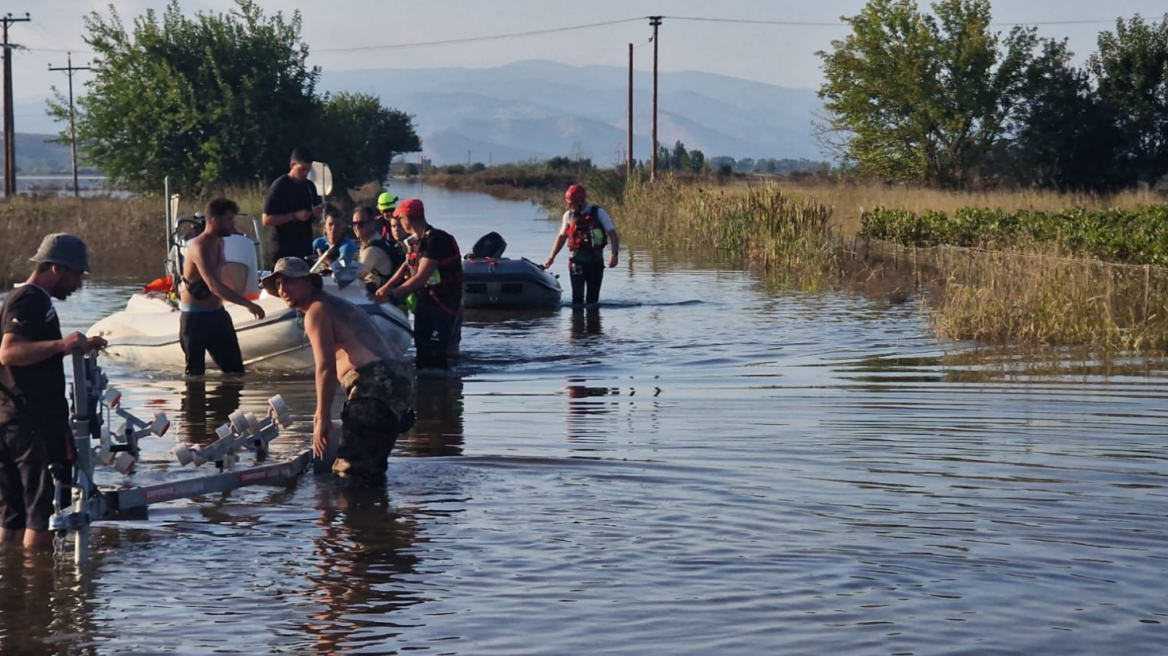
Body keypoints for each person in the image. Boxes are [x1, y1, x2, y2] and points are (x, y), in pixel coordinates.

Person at [262, 257, 415, 478]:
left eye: (290, 281)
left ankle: (353, 510)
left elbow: (325, 367)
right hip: (401, 380)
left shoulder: (317, 311)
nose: (283, 288)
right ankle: (379, 510)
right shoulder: (338, 305)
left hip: (374, 385)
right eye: (278, 284)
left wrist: (321, 416)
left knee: (351, 473)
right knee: (372, 466)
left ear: (309, 282)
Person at [0, 234, 106, 549]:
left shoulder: (15, 297)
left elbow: (25, 353)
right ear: (57, 268)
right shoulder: (31, 299)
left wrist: (77, 347)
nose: (78, 285)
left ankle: (12, 588)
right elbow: (9, 352)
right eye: (76, 276)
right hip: (31, 425)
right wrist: (62, 344)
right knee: (41, 516)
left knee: (11, 518)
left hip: (10, 420)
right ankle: (38, 590)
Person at [180, 198, 266, 377]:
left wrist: (242, 295)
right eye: (229, 220)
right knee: (195, 375)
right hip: (194, 319)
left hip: (217, 315)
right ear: (215, 221)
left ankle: (226, 404)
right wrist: (249, 305)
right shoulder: (199, 247)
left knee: (235, 371)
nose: (233, 225)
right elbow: (214, 286)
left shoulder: (220, 242)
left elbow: (224, 274)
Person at [374, 199, 464, 369]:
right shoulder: (415, 242)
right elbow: (408, 265)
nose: (398, 224)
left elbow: (421, 277)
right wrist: (386, 287)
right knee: (422, 350)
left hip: (444, 304)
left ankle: (444, 390)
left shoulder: (437, 240)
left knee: (436, 353)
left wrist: (393, 295)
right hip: (425, 302)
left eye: (399, 219)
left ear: (406, 219)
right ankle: (425, 391)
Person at [544, 184, 620, 306]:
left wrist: (614, 254)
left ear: (581, 201)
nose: (568, 206)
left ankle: (593, 323)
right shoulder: (568, 215)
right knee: (577, 301)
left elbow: (613, 234)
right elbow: (562, 237)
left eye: (571, 203)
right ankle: (577, 324)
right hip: (576, 263)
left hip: (595, 263)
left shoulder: (598, 213)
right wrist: (551, 258)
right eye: (567, 203)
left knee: (592, 301)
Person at [262, 146, 322, 265]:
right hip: (284, 249)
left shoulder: (310, 187)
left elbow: (314, 220)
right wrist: (294, 216)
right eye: (302, 169)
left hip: (304, 247)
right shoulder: (279, 187)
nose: (305, 173)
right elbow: (267, 220)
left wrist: (315, 215)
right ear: (292, 165)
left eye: (308, 170)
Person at [353, 205, 404, 291]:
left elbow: (354, 277)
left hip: (382, 295)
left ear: (372, 225)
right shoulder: (376, 240)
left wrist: (332, 264)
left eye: (361, 224)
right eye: (354, 223)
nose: (357, 227)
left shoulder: (372, 250)